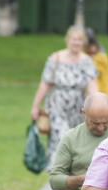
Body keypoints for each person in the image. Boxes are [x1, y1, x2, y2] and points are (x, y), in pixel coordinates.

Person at [31, 26, 99, 169]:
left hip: (78, 107)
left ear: (84, 42)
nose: (77, 43)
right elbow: (44, 84)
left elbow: (92, 85)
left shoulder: (87, 61)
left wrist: (96, 103)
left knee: (76, 142)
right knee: (61, 139)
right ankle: (60, 177)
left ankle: (72, 177)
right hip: (57, 106)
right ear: (67, 40)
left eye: (80, 40)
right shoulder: (55, 58)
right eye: (74, 39)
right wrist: (35, 106)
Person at [85, 28, 108, 102]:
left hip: (102, 92)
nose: (90, 49)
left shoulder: (101, 57)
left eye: (91, 46)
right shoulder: (82, 56)